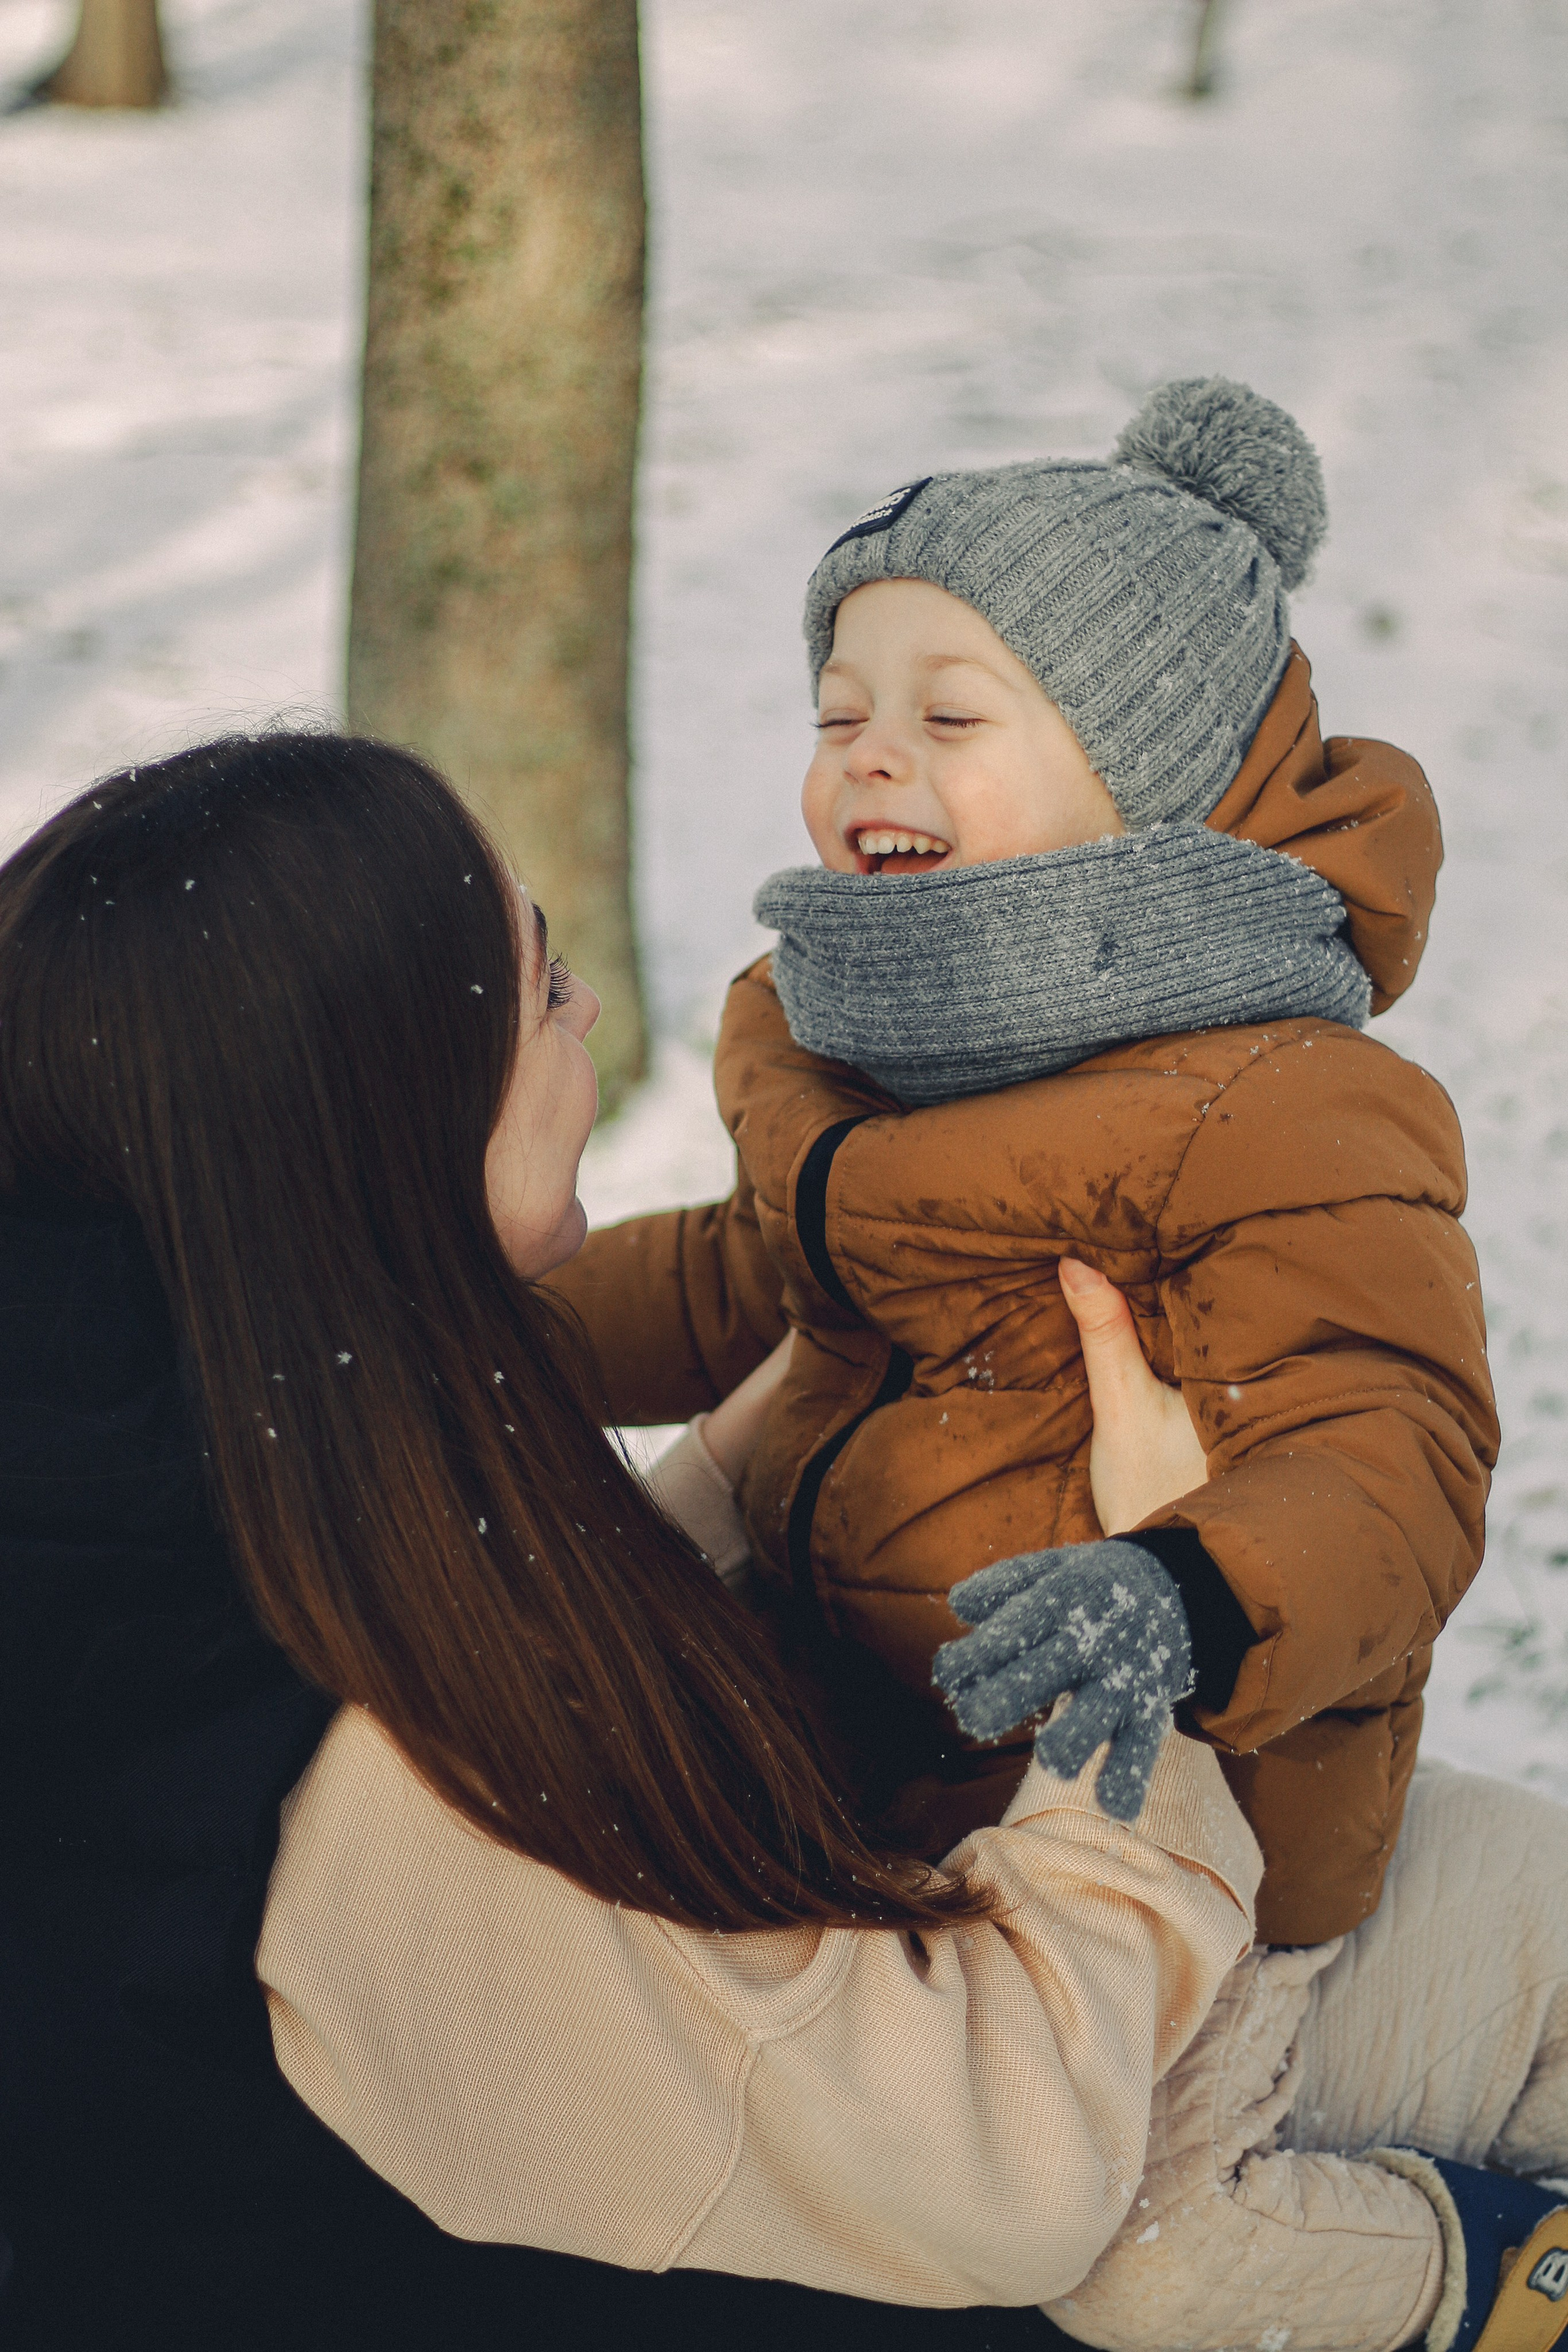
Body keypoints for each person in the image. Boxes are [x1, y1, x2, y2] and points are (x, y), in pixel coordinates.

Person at [0, 734, 1561, 2352]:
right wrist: (1145, 1619)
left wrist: (797, 1406)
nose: (585, 1014)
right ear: (378, 1124)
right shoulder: (359, 1821)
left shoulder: (169, 1479)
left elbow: (520, 1687)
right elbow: (1006, 2168)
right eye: (539, 985)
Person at [546, 375, 1499, 1950]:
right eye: (837, 716)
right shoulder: (851, 1045)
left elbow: (1391, 1445)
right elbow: (745, 1275)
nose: (868, 756)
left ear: (1151, 783)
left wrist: (1187, 1592)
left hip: (1158, 1857)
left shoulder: (1274, 1102)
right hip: (858, 1788)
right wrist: (482, 1317)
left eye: (948, 718)